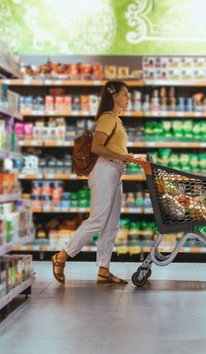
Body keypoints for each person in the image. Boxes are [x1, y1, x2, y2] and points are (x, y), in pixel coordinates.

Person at [52, 81, 139, 284]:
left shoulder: (116, 119)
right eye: (125, 94)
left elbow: (113, 147)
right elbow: (97, 148)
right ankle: (62, 255)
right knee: (98, 220)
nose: (128, 98)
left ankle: (103, 269)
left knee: (111, 226)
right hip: (104, 171)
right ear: (114, 96)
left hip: (114, 172)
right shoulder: (107, 118)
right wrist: (124, 157)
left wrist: (126, 156)